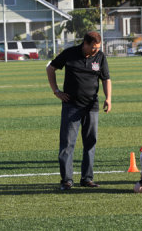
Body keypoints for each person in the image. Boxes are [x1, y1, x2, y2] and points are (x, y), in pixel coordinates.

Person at [46, 31, 112, 190]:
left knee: (90, 142)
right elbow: (50, 68)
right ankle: (67, 180)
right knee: (67, 143)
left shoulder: (100, 57)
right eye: (94, 47)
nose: (96, 50)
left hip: (91, 105)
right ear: (85, 44)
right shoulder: (70, 53)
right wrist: (56, 91)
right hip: (71, 106)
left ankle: (87, 178)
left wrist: (108, 98)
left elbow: (106, 78)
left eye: (98, 47)